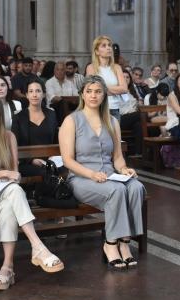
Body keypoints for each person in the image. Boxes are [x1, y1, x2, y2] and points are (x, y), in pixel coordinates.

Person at [0, 94, 64, 288]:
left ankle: (7, 269)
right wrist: (3, 173)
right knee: (14, 191)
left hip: (4, 191)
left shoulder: (8, 137)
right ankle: (38, 246)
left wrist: (9, 176)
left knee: (10, 202)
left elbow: (15, 174)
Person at [60, 76, 145, 268]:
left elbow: (117, 157)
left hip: (109, 175)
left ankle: (125, 242)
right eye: (89, 91)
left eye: (98, 91)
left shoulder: (112, 121)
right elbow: (68, 160)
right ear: (82, 94)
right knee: (116, 191)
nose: (93, 95)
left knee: (136, 187)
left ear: (104, 94)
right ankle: (110, 243)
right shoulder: (72, 120)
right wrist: (91, 174)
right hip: (81, 178)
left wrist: (124, 169)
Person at [12, 79, 59, 177]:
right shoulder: (19, 117)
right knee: (46, 173)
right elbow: (14, 145)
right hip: (26, 162)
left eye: (38, 91)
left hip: (50, 160)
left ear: (44, 94)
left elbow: (56, 141)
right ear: (27, 95)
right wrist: (32, 160)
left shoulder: (51, 114)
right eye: (31, 91)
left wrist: (53, 158)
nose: (34, 95)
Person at [85, 35, 128, 118]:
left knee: (115, 131)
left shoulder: (117, 67)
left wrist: (103, 89)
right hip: (98, 108)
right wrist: (115, 89)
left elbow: (124, 89)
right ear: (97, 51)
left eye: (109, 45)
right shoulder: (91, 67)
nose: (108, 48)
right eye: (104, 46)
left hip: (114, 108)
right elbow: (92, 89)